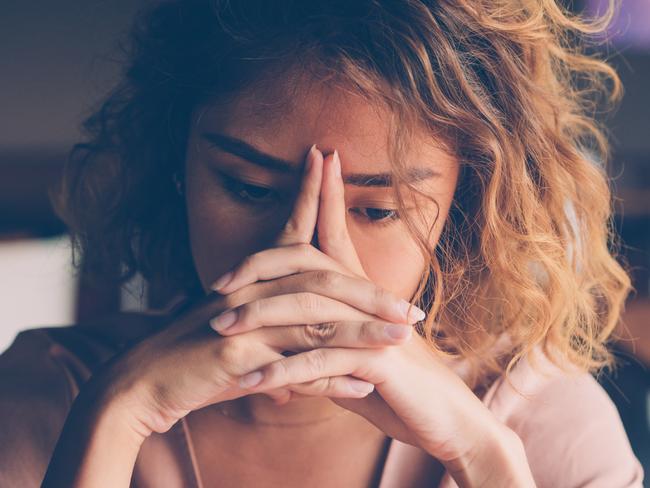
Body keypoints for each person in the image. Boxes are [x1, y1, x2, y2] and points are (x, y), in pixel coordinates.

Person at [0, 0, 644, 486]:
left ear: (464, 209)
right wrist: (118, 416)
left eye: (379, 208)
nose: (306, 256)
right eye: (250, 188)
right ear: (178, 169)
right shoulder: (50, 394)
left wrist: (485, 456)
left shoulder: (540, 419)